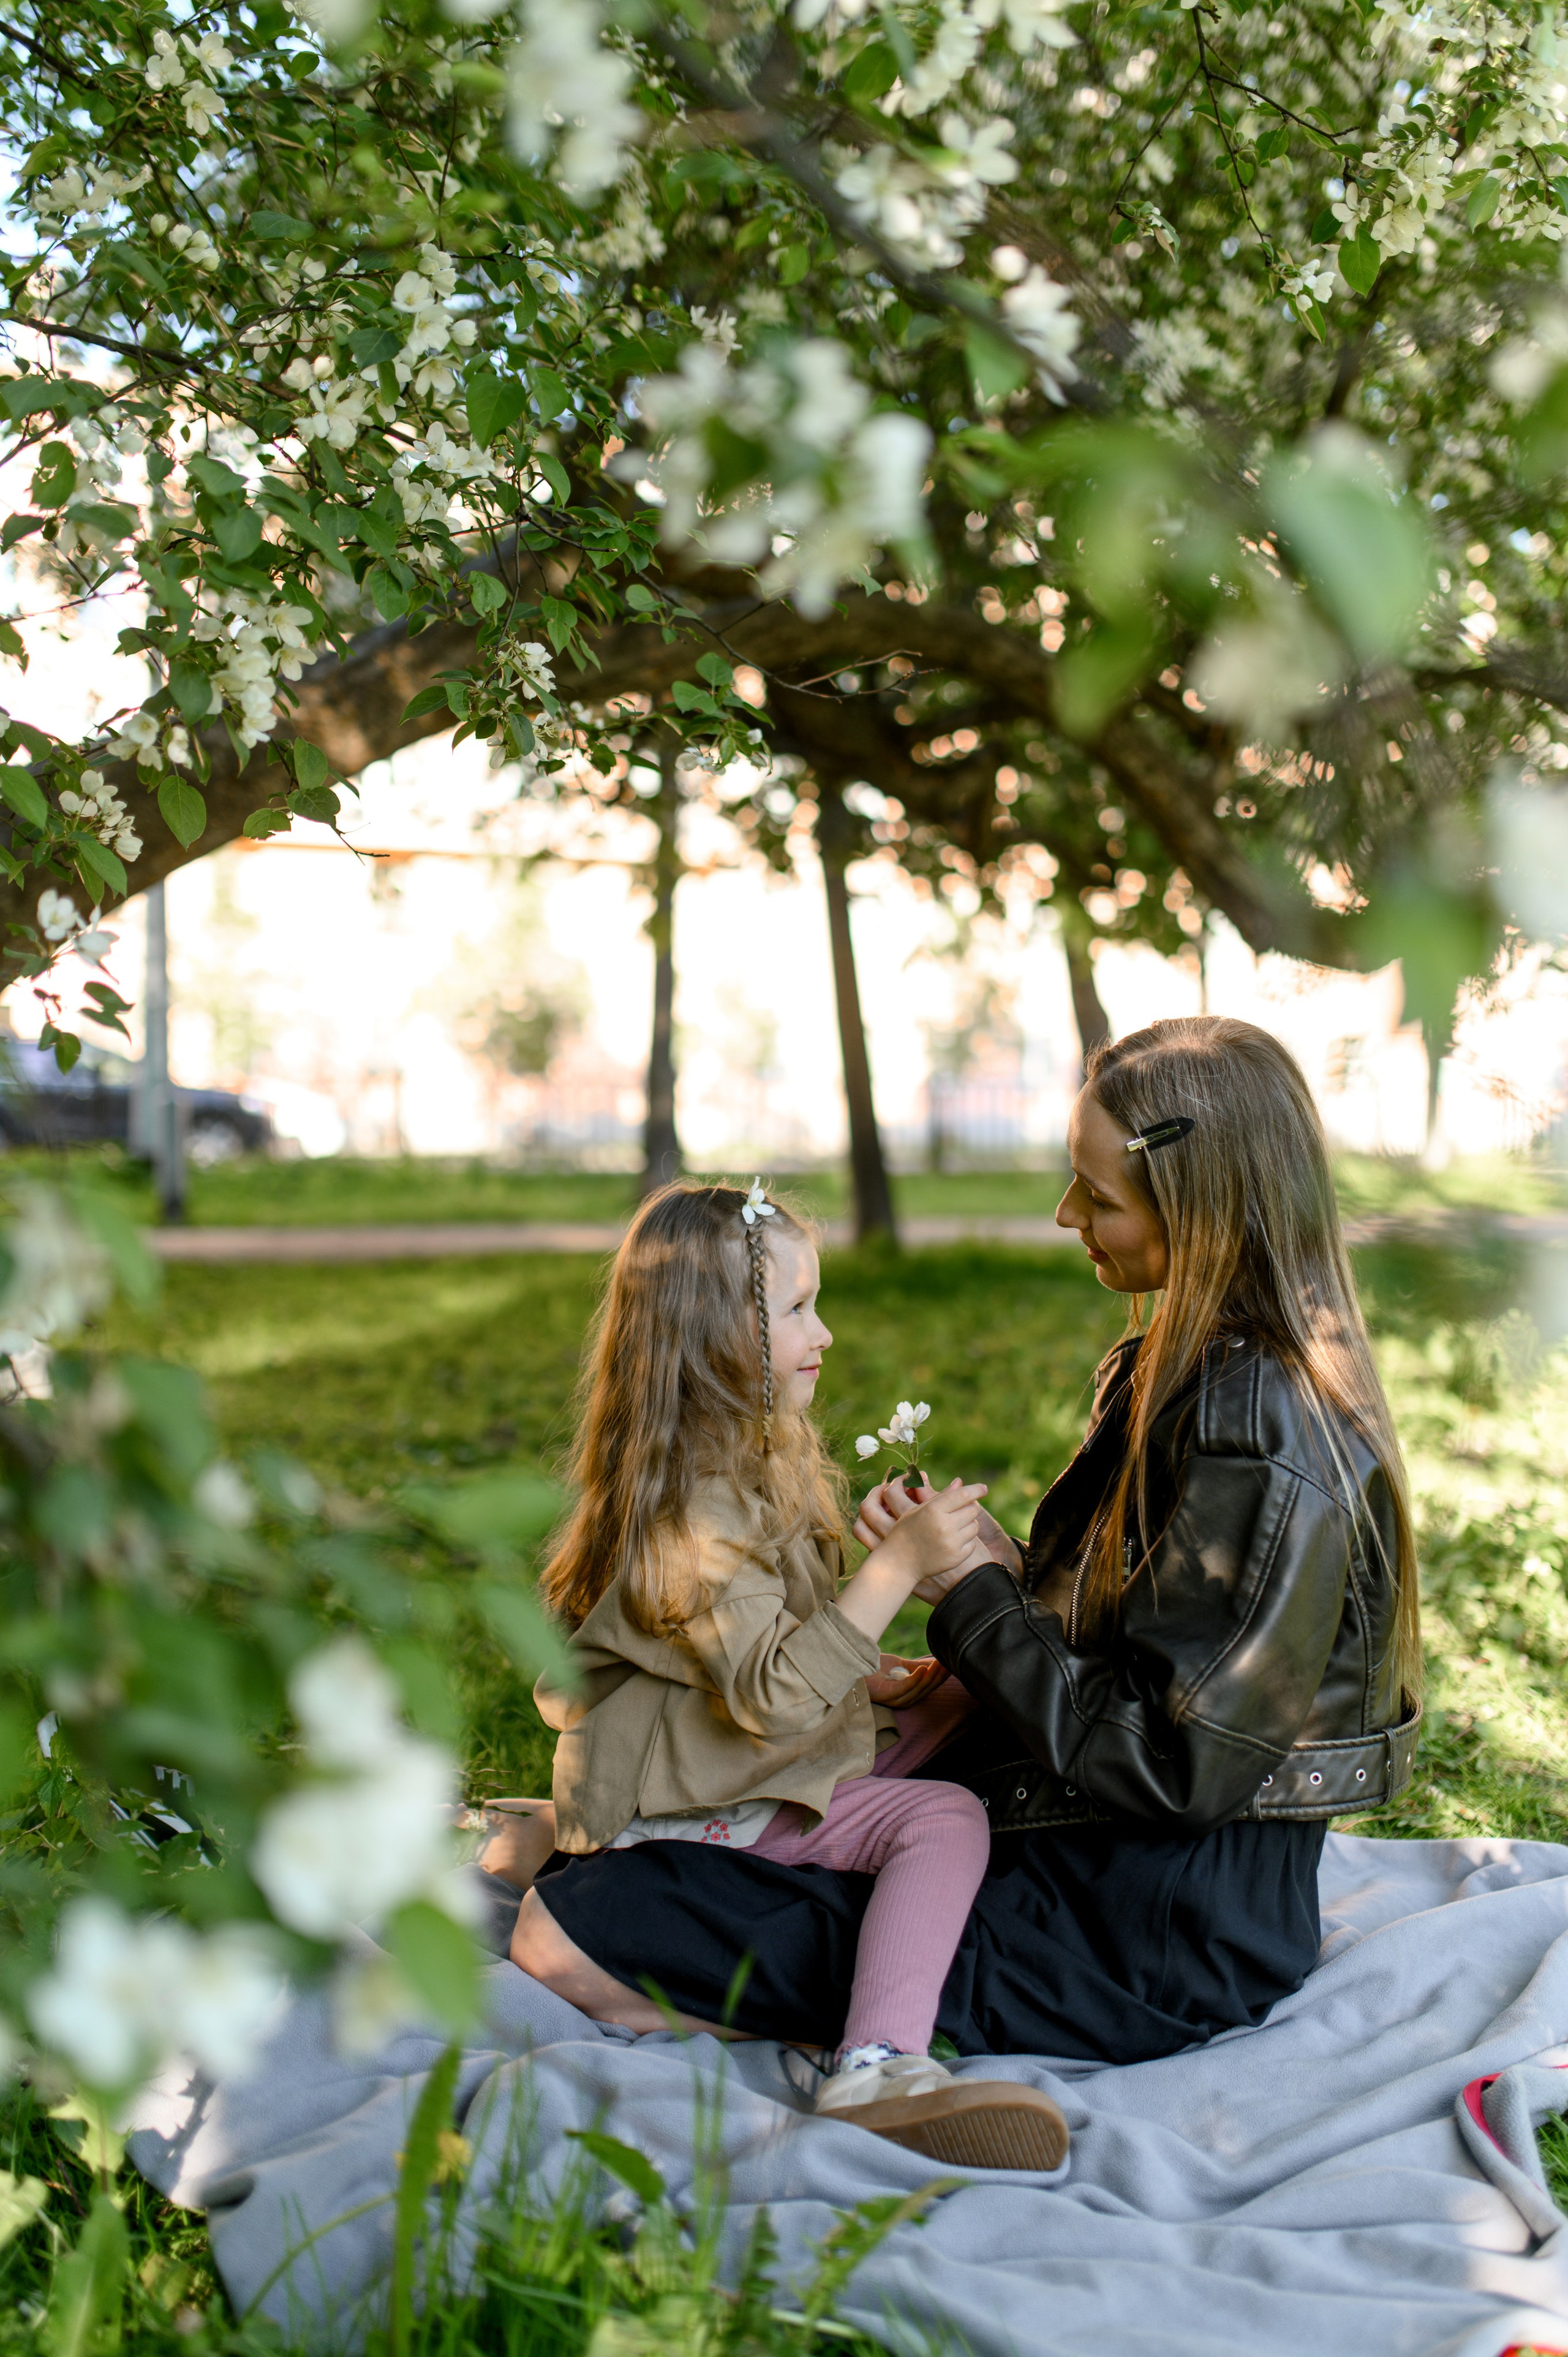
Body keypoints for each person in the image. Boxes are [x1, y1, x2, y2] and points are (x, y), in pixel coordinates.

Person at [511, 1017, 1423, 2066]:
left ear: (1200, 1209)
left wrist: (976, 1599)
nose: (1065, 1211)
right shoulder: (1190, 1363)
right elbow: (1168, 1646)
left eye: (1101, 1195)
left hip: (1151, 1927)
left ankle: (870, 2051)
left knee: (582, 1925)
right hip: (1111, 1848)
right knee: (783, 1798)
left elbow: (1175, 1767)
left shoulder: (1252, 1425)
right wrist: (998, 1573)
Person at [509, 1179, 1069, 2170]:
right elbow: (769, 1694)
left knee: (953, 1695)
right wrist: (894, 1574)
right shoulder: (693, 1510)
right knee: (946, 1817)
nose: (827, 1332)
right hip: (713, 1808)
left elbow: (763, 1647)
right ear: (717, 1335)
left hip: (718, 1755)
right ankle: (874, 2059)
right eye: (798, 1309)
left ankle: (542, 1839)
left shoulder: (749, 1461)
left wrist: (883, 1670)